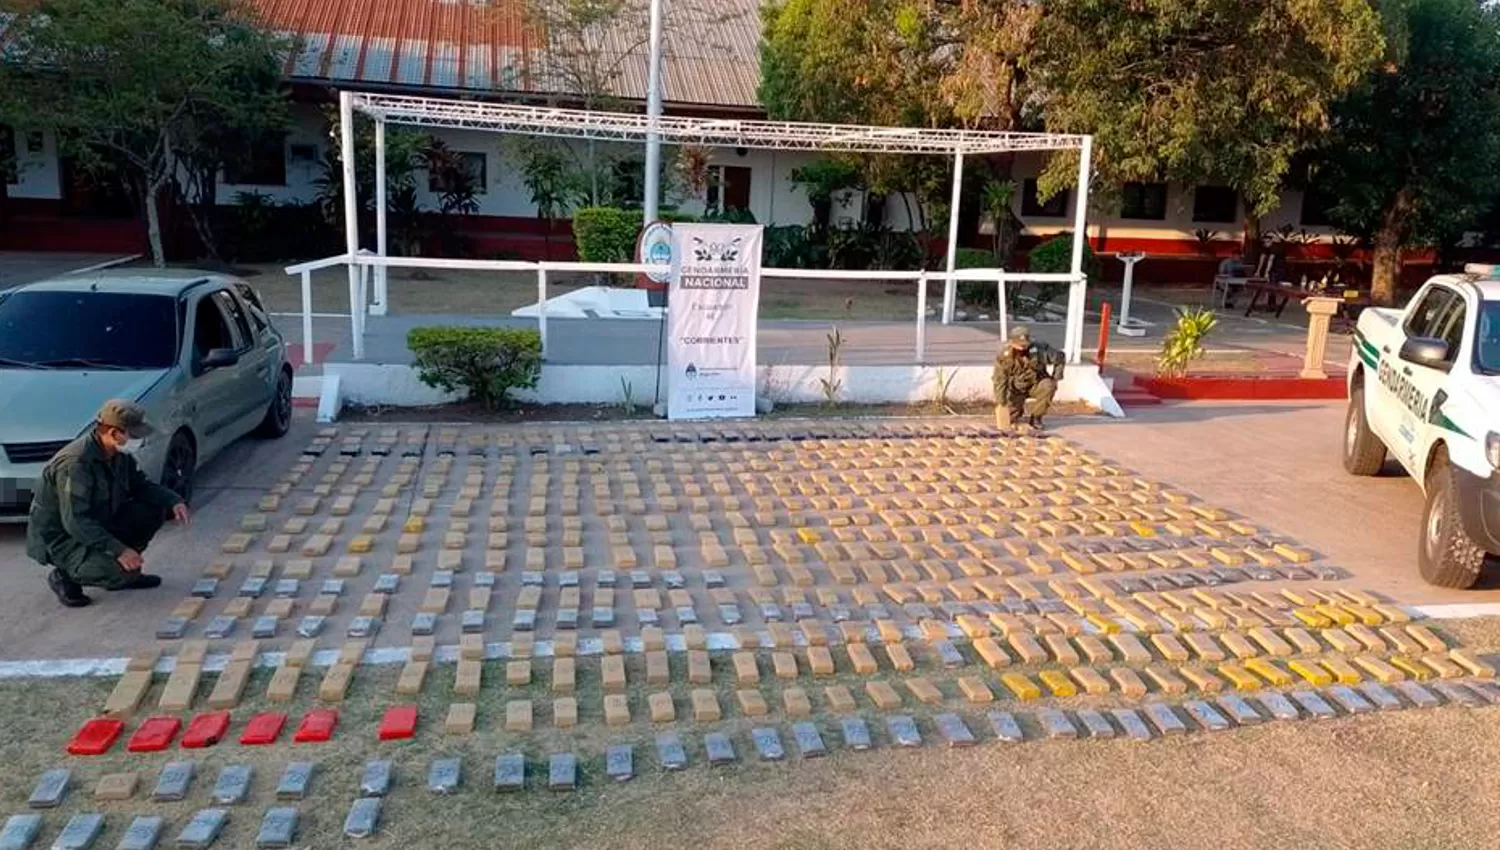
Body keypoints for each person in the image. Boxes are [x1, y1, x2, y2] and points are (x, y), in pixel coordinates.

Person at [27, 400, 191, 608]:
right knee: (118, 573)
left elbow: (140, 485)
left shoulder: (116, 455)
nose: (136, 439)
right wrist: (120, 550)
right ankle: (66, 575)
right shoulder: (75, 465)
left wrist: (173, 500)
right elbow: (76, 522)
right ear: (114, 433)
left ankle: (128, 569)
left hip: (98, 520)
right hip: (62, 539)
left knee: (153, 508)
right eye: (132, 434)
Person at [992, 325, 1065, 431]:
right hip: (1016, 388)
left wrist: (1055, 378)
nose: (1023, 348)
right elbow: (1000, 379)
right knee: (1010, 419)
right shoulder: (1004, 355)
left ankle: (1036, 417)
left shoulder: (1041, 350)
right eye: (1019, 346)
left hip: (1036, 384)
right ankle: (1016, 413)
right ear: (1012, 343)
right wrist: (1001, 402)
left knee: (1049, 385)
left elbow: (1060, 358)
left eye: (1025, 345)